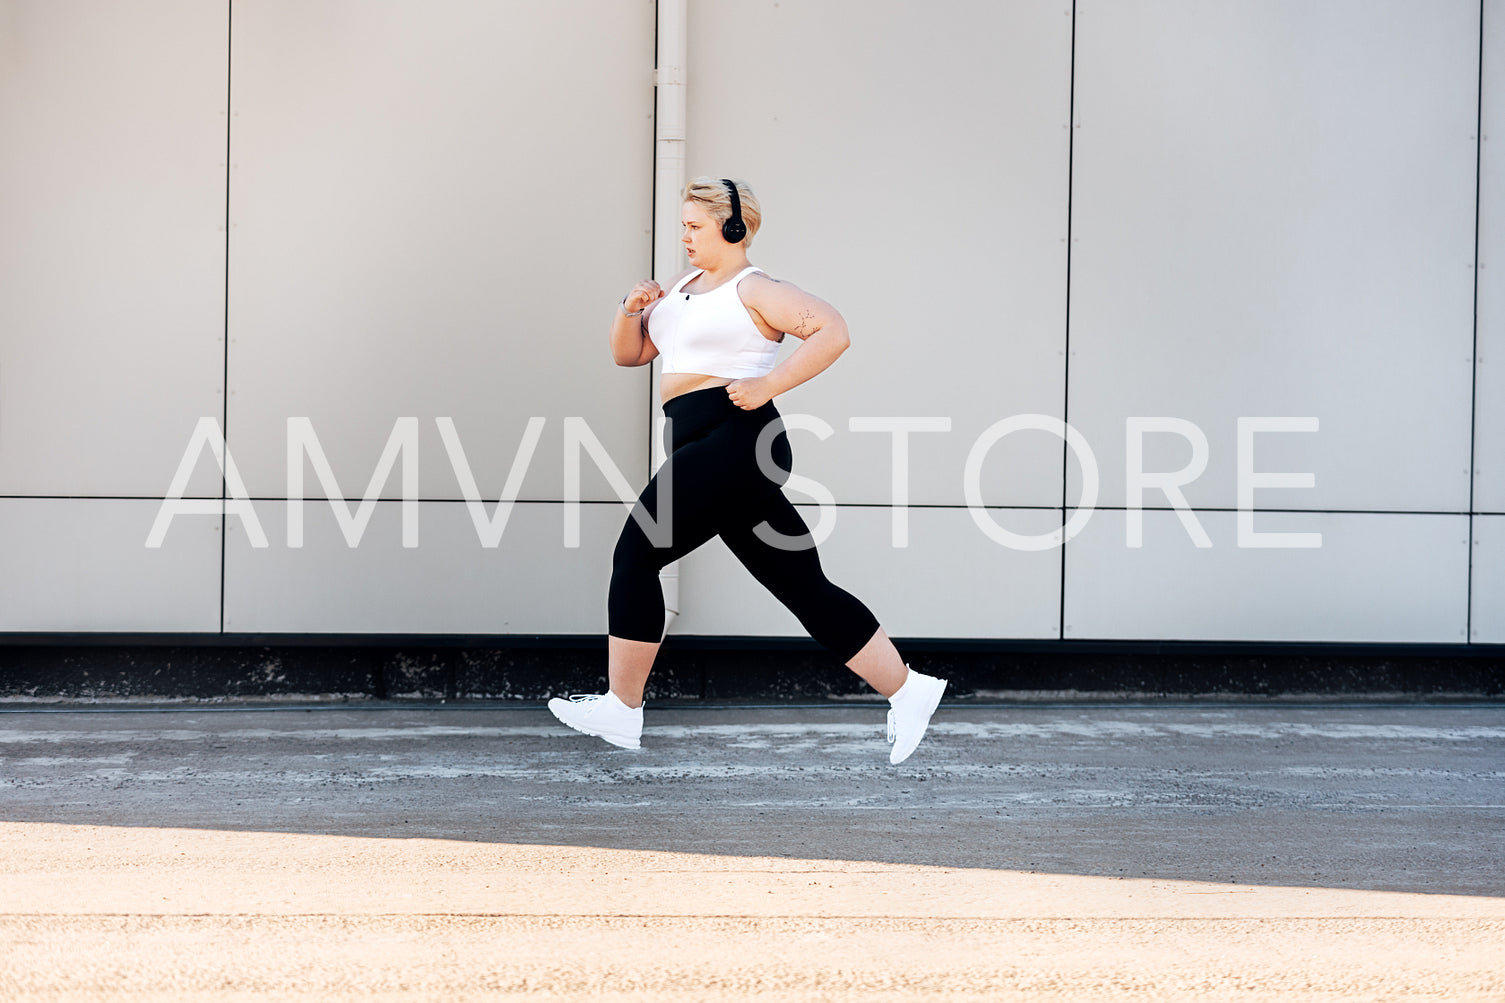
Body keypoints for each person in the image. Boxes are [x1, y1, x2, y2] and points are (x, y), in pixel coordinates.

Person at [548, 177, 946, 765]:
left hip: (739, 440)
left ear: (733, 229)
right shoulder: (682, 288)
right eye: (683, 225)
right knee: (804, 588)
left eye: (694, 226)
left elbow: (833, 331)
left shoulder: (754, 287)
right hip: (704, 441)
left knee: (637, 553)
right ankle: (910, 690)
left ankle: (623, 709)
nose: (684, 236)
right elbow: (628, 354)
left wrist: (769, 384)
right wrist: (629, 310)